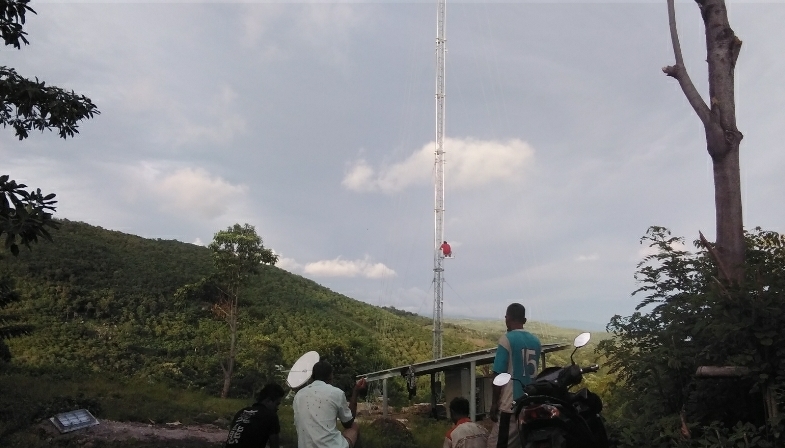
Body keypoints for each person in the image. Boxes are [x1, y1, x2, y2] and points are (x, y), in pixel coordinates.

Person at [487, 303, 542, 448]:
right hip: (530, 402)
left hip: (510, 406)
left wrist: (494, 404)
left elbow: (498, 374)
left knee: (495, 444)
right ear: (524, 320)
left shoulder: (506, 339)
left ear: (507, 318)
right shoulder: (536, 342)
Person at [293, 360, 367, 448]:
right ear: (331, 375)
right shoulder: (336, 393)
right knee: (354, 427)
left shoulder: (299, 395)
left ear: (312, 377)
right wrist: (356, 391)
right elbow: (348, 423)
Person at [225, 383, 286, 448]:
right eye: (277, 404)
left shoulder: (241, 412)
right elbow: (274, 445)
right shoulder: (270, 416)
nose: (277, 408)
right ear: (268, 400)